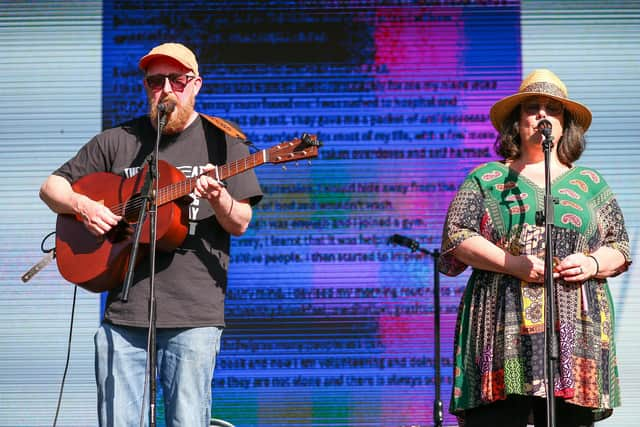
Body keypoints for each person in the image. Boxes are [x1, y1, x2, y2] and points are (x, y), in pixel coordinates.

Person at [40, 42, 263, 426]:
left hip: (193, 313)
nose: (165, 90)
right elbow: (51, 187)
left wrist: (220, 197)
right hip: (124, 312)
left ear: (195, 85)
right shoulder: (118, 140)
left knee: (186, 420)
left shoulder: (222, 142)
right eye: (155, 81)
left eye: (176, 80)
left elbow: (240, 221)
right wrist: (86, 207)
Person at [439, 69, 631, 427]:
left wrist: (590, 263)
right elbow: (456, 236)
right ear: (518, 121)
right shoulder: (487, 178)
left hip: (575, 335)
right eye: (533, 107)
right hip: (502, 331)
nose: (542, 115)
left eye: (552, 109)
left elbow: (619, 247)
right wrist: (511, 262)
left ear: (564, 124)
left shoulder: (590, 183)